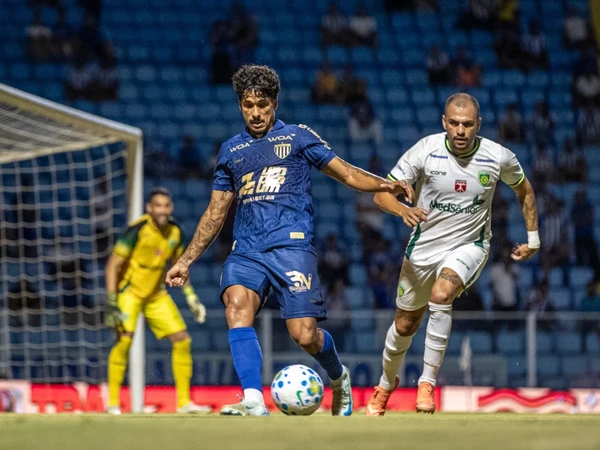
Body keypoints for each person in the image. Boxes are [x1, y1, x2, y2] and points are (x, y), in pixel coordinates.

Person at [165, 65, 413, 417]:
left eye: (262, 104)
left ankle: (339, 377)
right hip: (247, 250)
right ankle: (253, 398)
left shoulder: (297, 137)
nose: (255, 112)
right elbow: (215, 212)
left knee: (305, 335)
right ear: (240, 105)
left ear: (275, 103)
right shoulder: (231, 151)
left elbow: (346, 173)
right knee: (236, 306)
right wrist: (185, 260)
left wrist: (386, 184)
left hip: (292, 247)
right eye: (248, 105)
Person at [365, 93, 540, 415]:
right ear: (444, 122)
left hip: (470, 246)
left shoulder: (498, 157)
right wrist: (402, 210)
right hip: (423, 249)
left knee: (442, 294)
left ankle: (426, 383)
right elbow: (380, 194)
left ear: (479, 125)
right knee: (404, 325)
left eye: (468, 124)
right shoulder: (425, 150)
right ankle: (385, 386)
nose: (461, 131)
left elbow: (524, 189)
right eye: (455, 123)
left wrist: (533, 239)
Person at [104, 187, 210, 415]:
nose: (163, 210)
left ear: (171, 208)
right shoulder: (137, 230)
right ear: (149, 208)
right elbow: (113, 265)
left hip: (156, 295)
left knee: (182, 340)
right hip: (130, 293)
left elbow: (180, 266)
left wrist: (191, 297)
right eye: (158, 206)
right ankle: (112, 402)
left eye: (166, 206)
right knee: (124, 341)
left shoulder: (175, 232)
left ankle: (184, 403)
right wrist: (111, 301)